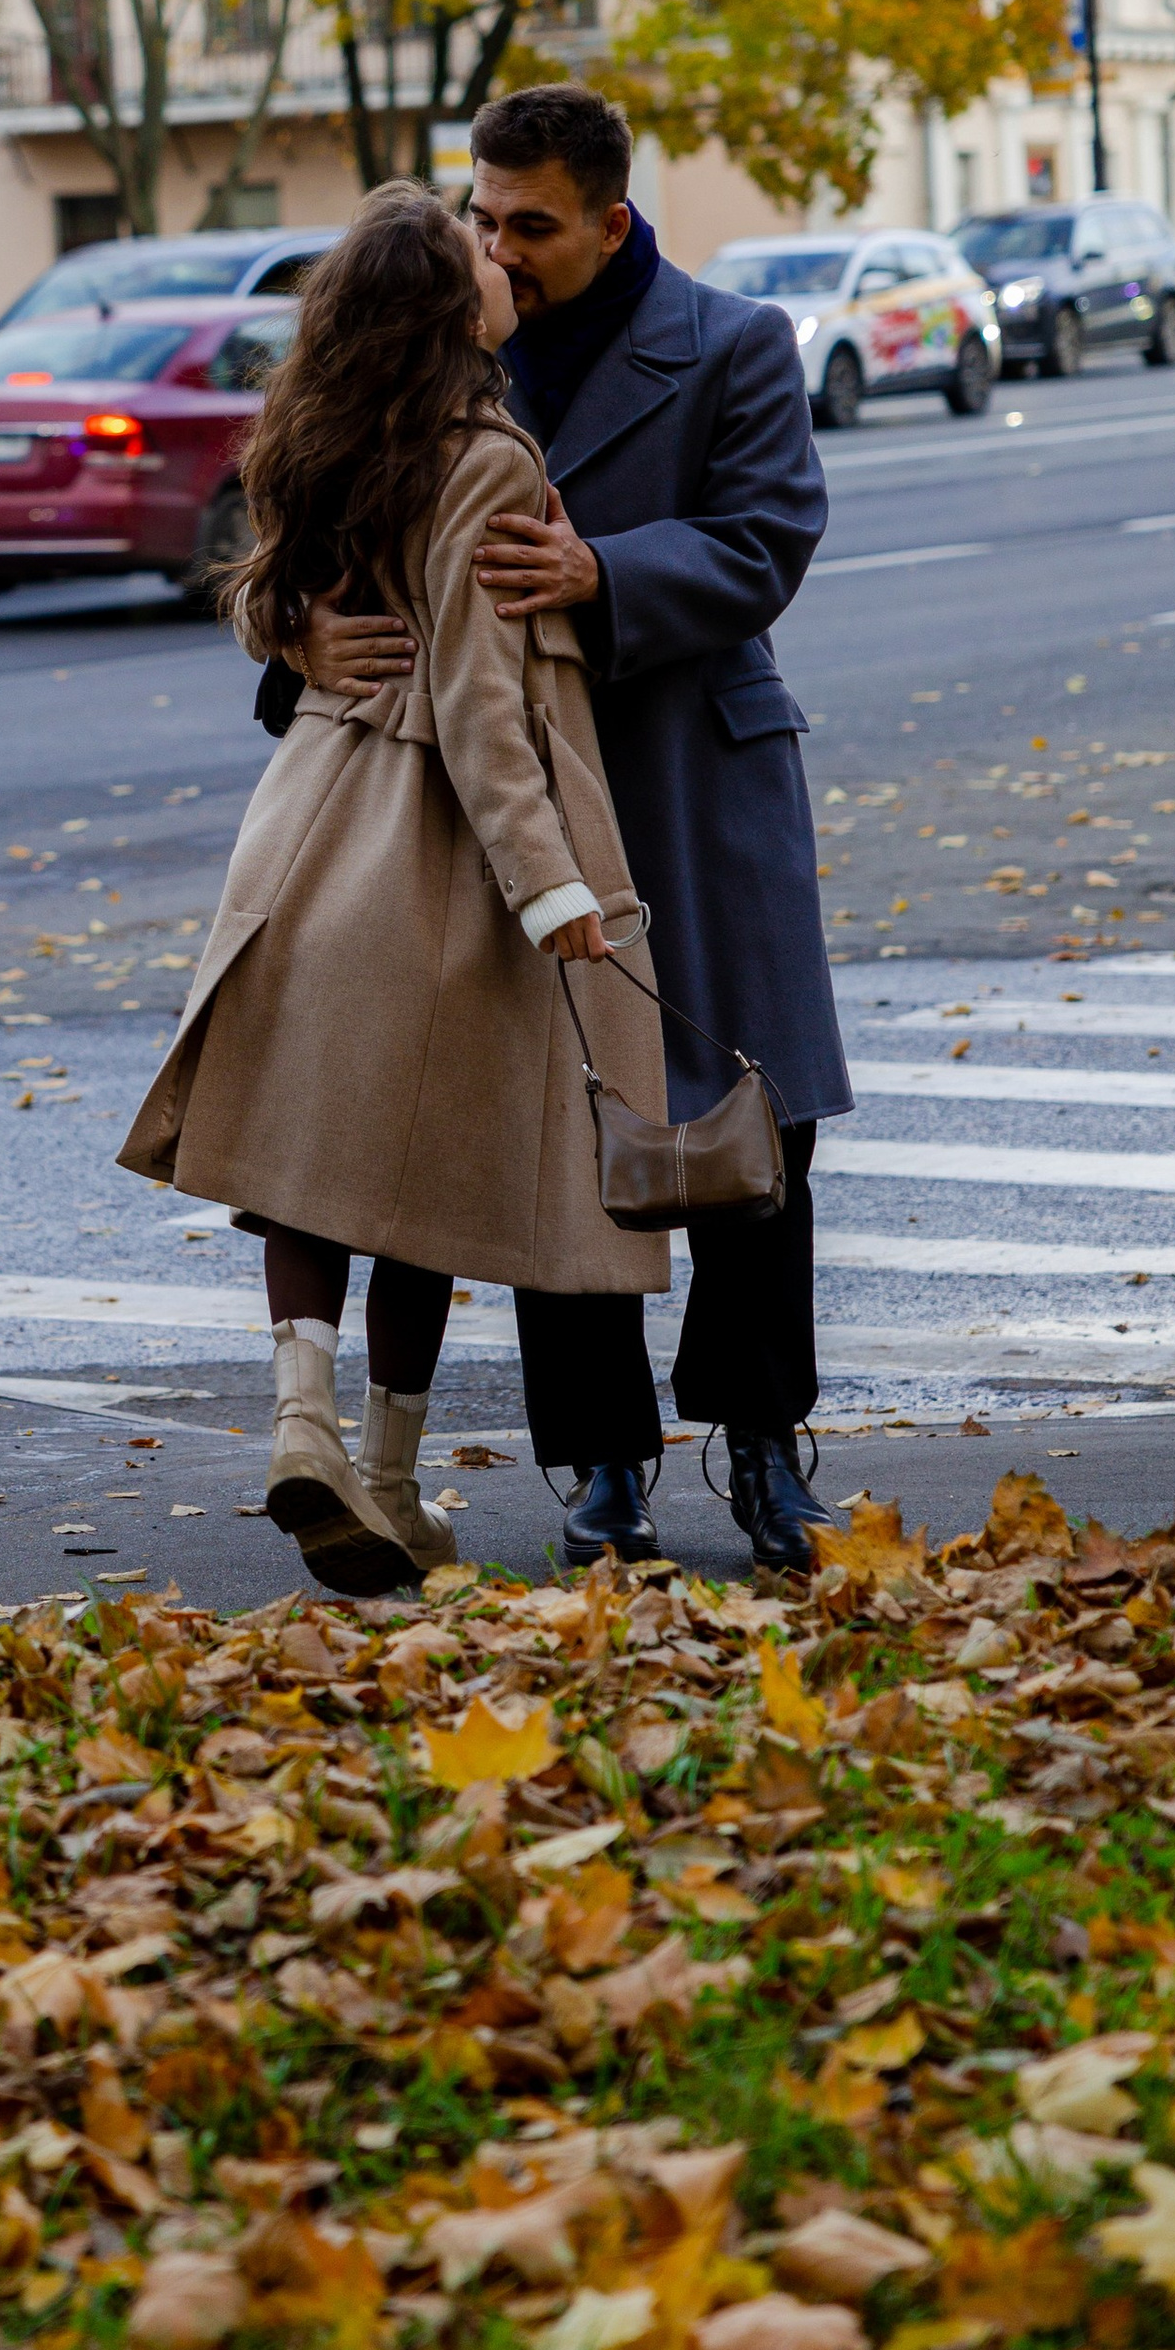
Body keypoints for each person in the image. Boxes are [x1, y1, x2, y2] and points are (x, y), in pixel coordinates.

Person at [281, 83, 850, 1572]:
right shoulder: (445, 341)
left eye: (530, 225)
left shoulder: (733, 343)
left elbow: (771, 536)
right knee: (561, 1119)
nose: (497, 248)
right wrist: (298, 640)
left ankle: (763, 1441)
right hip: (513, 793)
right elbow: (323, 528)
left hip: (696, 779)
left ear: (612, 221)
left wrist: (608, 573)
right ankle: (601, 1464)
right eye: (481, 215)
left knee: (756, 1119)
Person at [119, 180, 668, 1596]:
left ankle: (307, 1428)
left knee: (313, 1151)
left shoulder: (315, 433)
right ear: (446, 315)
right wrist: (551, 889)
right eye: (475, 250)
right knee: (420, 1167)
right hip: (426, 848)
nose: (499, 259)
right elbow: (483, 709)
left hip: (304, 823)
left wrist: (291, 628)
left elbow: (259, 592)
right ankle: (390, 1474)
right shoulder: (483, 457)